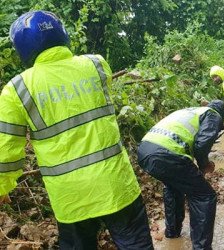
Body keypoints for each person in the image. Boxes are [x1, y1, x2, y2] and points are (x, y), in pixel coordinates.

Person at [0, 11, 153, 249]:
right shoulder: (96, 64)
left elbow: (7, 153)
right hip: (117, 186)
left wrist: (2, 187)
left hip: (71, 200)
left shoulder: (16, 90)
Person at [137, 100, 224, 250]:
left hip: (144, 151)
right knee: (205, 196)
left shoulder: (190, 111)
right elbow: (202, 144)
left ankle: (173, 233)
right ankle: (202, 247)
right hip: (166, 154)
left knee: (173, 187)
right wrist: (204, 165)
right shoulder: (213, 115)